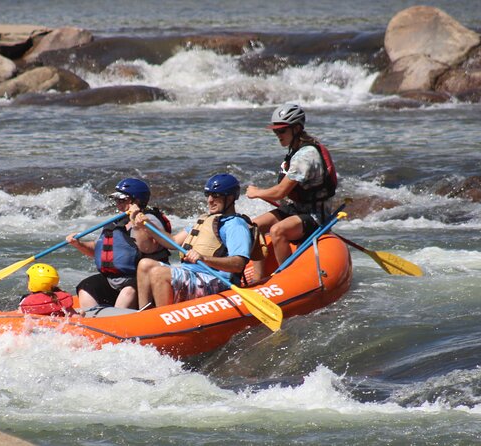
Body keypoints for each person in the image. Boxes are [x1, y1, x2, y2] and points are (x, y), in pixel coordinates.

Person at [246, 103, 338, 277]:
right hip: (297, 209)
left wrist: (257, 192)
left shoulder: (306, 155)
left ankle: (288, 277)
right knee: (253, 227)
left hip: (316, 215)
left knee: (277, 231)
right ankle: (258, 279)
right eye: (275, 131)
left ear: (296, 129)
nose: (278, 135)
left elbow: (280, 192)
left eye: (282, 131)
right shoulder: (295, 149)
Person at [135, 173, 252, 308]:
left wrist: (204, 258)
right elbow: (172, 241)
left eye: (216, 196)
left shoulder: (235, 225)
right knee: (144, 264)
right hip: (192, 274)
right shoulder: (207, 220)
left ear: (230, 197)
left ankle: (165, 318)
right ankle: (144, 313)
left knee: (159, 273)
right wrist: (147, 225)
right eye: (208, 195)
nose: (209, 200)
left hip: (216, 281)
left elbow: (238, 264)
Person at [66, 178, 171, 310]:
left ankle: (117, 324)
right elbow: (100, 250)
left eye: (122, 200)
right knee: (86, 287)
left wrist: (137, 224)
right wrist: (78, 244)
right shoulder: (117, 221)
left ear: (136, 201)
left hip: (141, 279)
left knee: (128, 292)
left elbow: (148, 248)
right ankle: (93, 322)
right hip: (114, 279)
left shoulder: (149, 220)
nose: (117, 204)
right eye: (116, 200)